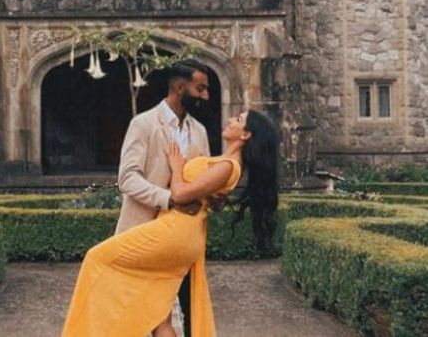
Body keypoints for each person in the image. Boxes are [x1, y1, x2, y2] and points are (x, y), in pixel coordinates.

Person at [60, 108, 280, 337]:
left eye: (238, 120)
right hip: (179, 232)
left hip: (175, 232)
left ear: (245, 135)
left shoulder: (228, 166)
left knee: (97, 258)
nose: (230, 121)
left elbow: (180, 195)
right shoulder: (224, 163)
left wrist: (176, 167)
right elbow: (213, 201)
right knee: (158, 314)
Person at [115, 61, 214, 335]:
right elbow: (127, 178)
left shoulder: (200, 132)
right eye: (201, 88)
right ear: (179, 87)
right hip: (146, 234)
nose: (206, 96)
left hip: (184, 239)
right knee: (151, 317)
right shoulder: (143, 124)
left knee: (192, 314)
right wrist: (171, 198)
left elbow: (203, 184)